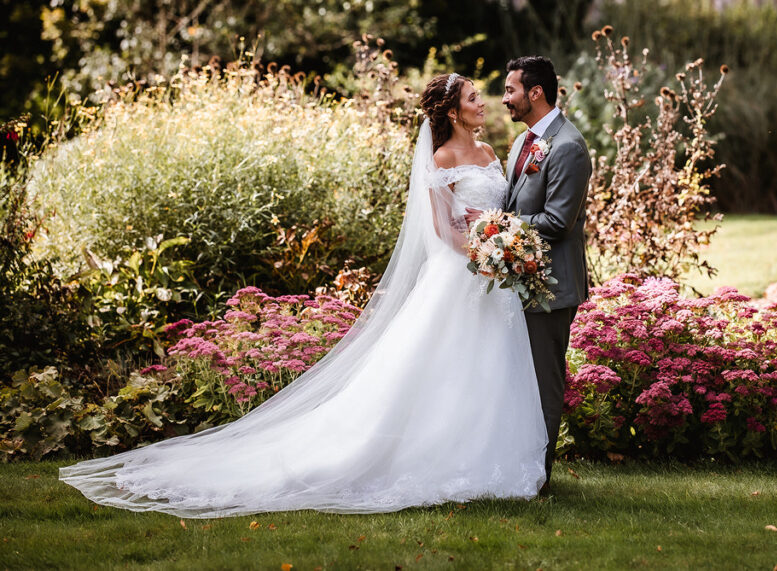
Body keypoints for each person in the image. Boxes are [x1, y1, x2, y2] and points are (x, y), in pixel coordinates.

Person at [59, 73, 548, 517]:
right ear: (449, 111)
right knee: (441, 368)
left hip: (491, 278)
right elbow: (442, 228)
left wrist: (500, 246)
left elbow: (495, 212)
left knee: (487, 367)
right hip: (461, 272)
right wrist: (483, 254)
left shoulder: (487, 154)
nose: (482, 104)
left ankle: (484, 457)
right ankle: (420, 455)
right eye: (471, 98)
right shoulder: (442, 159)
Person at [502, 56, 592, 491]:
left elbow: (558, 221)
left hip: (552, 286)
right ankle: (512, 466)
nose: (505, 99)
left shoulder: (569, 146)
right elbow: (513, 201)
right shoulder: (524, 143)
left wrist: (497, 229)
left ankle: (538, 478)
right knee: (517, 380)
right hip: (519, 281)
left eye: (510, 90)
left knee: (543, 382)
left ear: (535, 93)